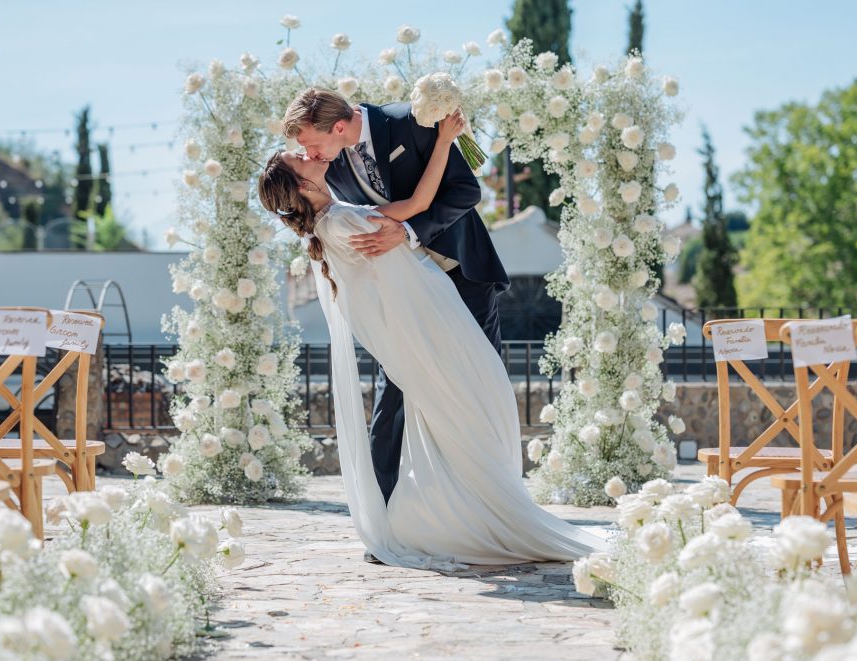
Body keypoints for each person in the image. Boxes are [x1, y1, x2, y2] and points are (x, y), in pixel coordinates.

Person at [257, 108, 607, 570]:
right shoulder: (339, 213)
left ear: (336, 126)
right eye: (301, 155)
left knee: (472, 401)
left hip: (449, 290)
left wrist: (442, 142)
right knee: (445, 404)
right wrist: (436, 157)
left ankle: (481, 502)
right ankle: (452, 512)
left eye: (308, 146)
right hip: (422, 319)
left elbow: (426, 205)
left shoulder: (348, 194)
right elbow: (409, 212)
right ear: (303, 184)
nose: (310, 153)